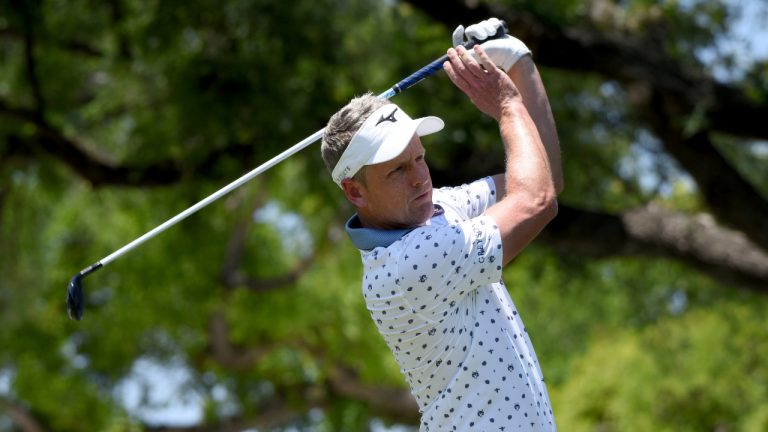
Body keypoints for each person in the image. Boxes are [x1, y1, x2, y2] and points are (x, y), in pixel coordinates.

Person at [321, 18, 563, 431]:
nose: (421, 178)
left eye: (419, 157)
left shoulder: (438, 208)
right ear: (355, 192)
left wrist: (519, 64)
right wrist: (507, 106)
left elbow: (544, 178)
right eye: (398, 170)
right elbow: (536, 200)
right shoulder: (404, 266)